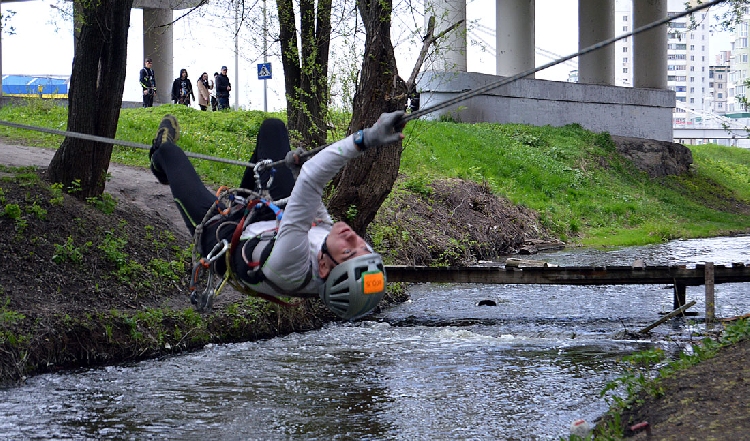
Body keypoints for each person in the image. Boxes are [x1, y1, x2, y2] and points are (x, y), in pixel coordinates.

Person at [148, 111, 406, 319]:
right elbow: (313, 207)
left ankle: (159, 161)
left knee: (170, 154)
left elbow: (313, 179)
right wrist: (294, 172)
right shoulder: (331, 254)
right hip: (270, 221)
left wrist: (366, 138)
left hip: (222, 235)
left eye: (349, 252)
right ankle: (256, 169)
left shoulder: (291, 265)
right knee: (273, 129)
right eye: (364, 247)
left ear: (324, 266)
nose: (354, 239)